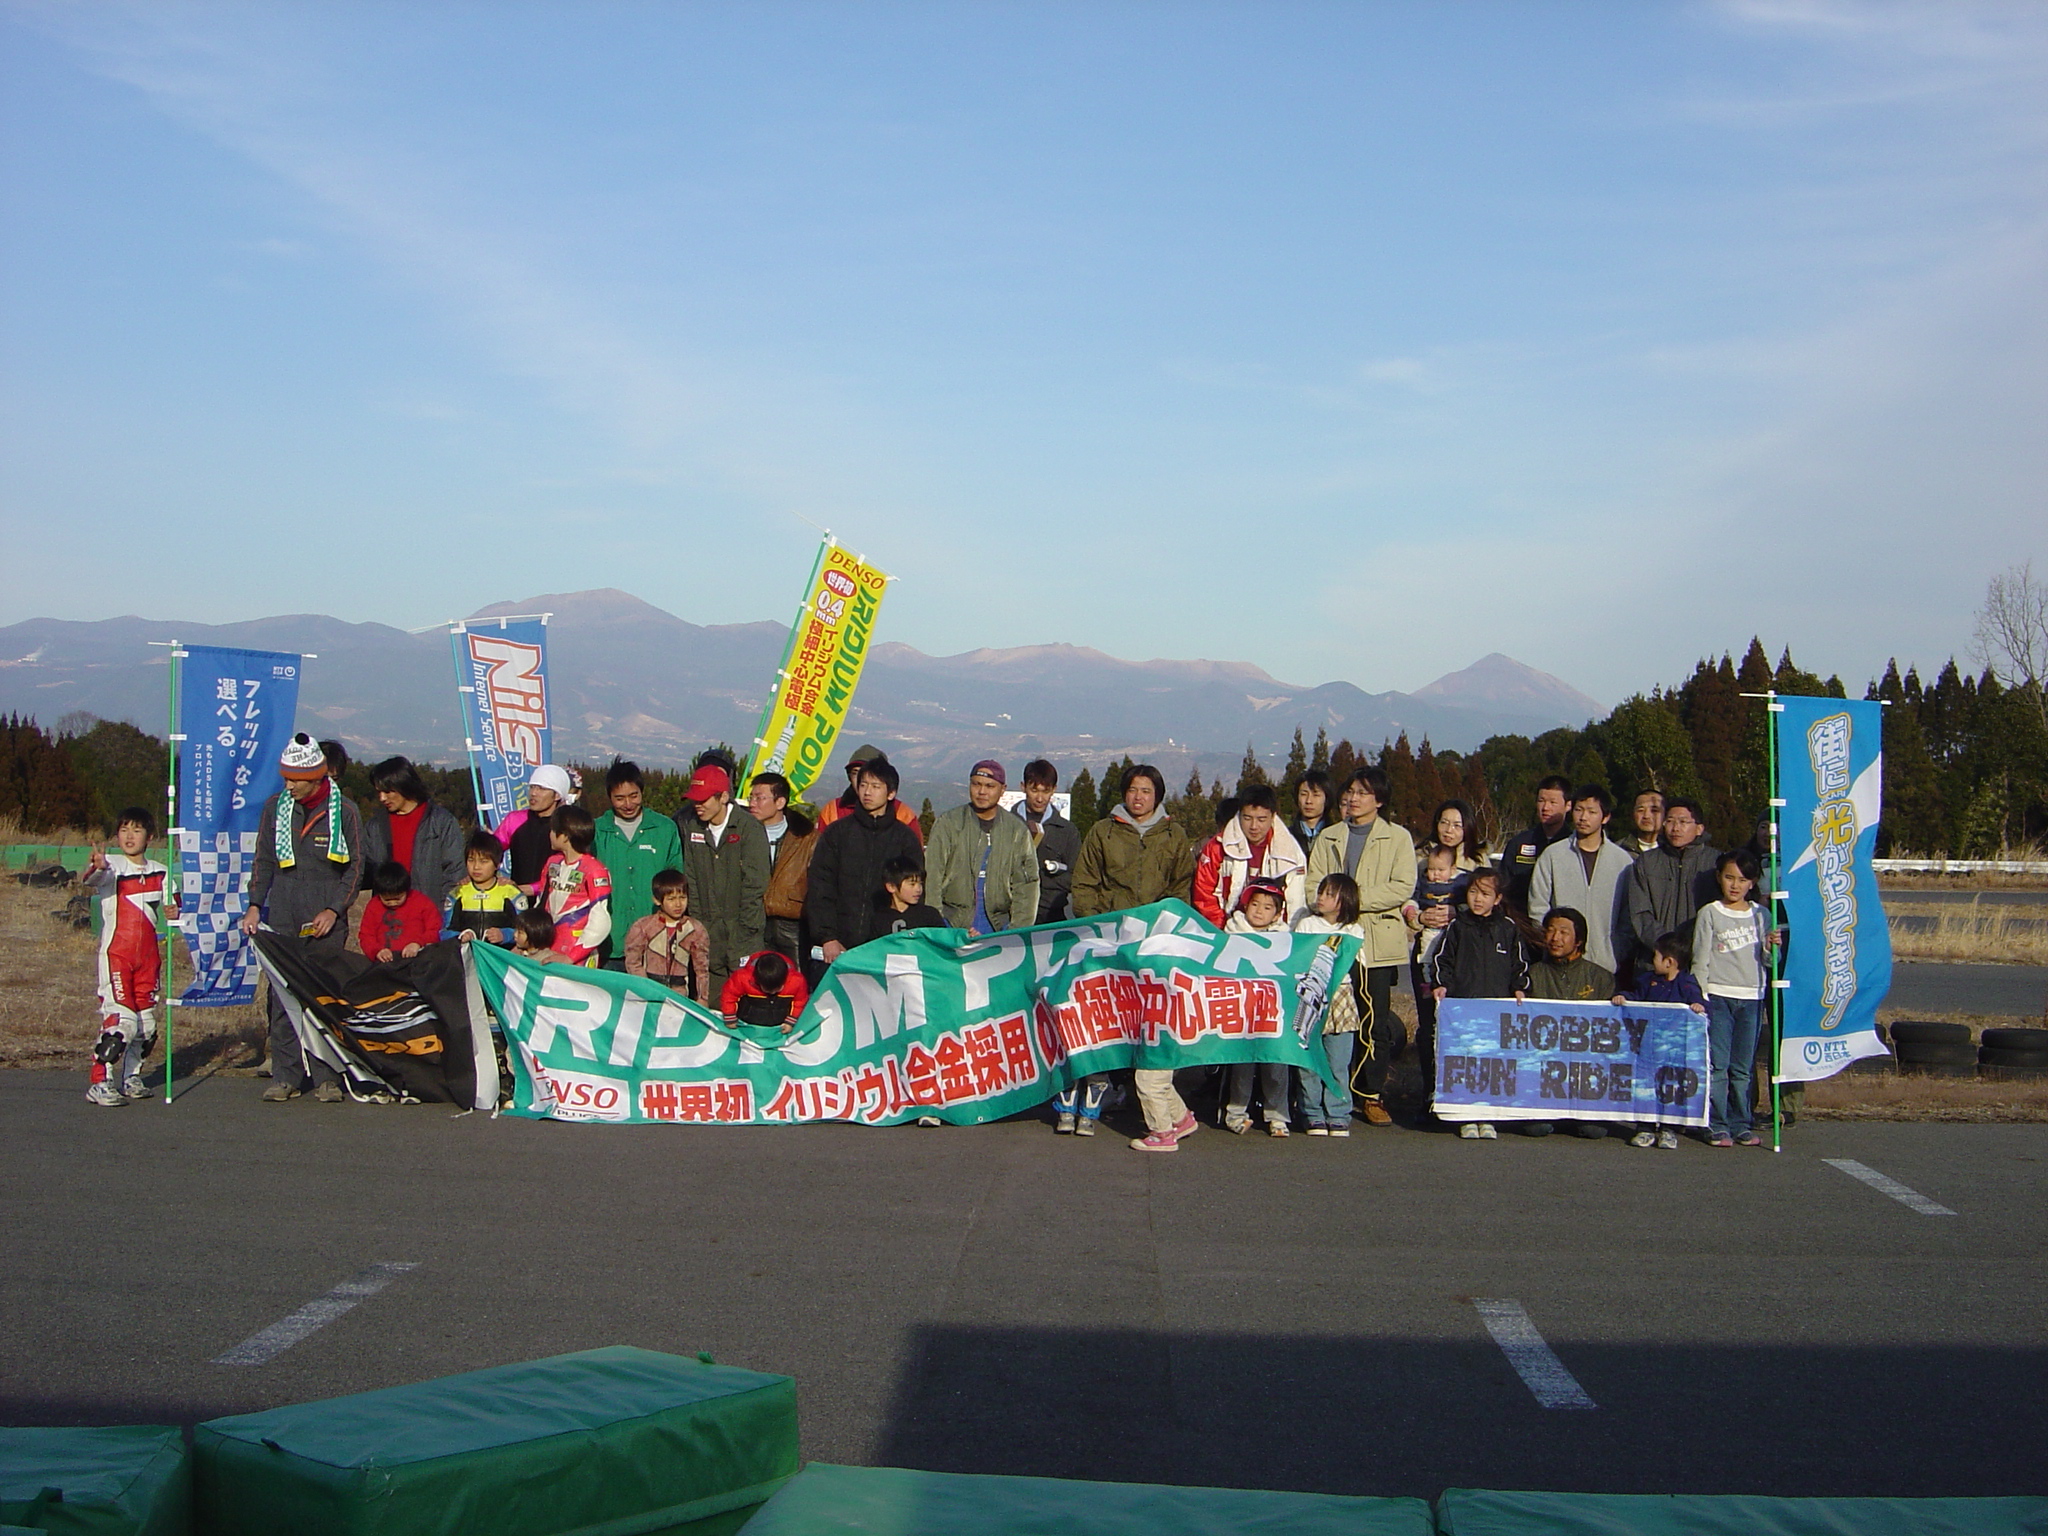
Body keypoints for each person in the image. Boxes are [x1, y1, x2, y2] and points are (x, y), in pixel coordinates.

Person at [1069, 765, 1198, 1149]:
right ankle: (1112, 1092)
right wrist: (1098, 927)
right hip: (1111, 942)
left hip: (1157, 946)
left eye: (1146, 791)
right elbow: (1085, 884)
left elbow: (1181, 888)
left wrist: (1166, 931)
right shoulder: (1103, 831)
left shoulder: (1174, 835)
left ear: (1158, 796)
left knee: (1153, 1026)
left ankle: (1165, 1114)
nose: (1138, 797)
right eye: (1132, 790)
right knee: (1113, 1020)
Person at [244, 732, 364, 1104]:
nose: (289, 786)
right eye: (286, 779)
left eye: (296, 780)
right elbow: (263, 859)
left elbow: (356, 868)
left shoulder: (345, 811)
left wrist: (334, 909)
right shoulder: (274, 808)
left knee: (324, 996)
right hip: (284, 906)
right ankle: (286, 1075)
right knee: (283, 995)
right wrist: (254, 904)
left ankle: (329, 1077)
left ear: (316, 777)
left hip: (325, 908)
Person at [1303, 766, 1416, 1127]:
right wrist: (1329, 906)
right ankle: (1326, 1094)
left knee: (1373, 1021)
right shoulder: (1330, 836)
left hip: (1375, 941)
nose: (1353, 798)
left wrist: (1351, 900)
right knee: (1326, 1019)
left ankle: (1370, 1094)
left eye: (1362, 792)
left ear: (1379, 800)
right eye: (1350, 791)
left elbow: (1402, 886)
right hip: (1329, 940)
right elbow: (1312, 885)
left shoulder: (1397, 838)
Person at [1425, 866, 1530, 1140]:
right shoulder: (1458, 926)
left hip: (1496, 1008)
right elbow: (1442, 960)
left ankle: (1488, 1116)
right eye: (1473, 892)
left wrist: (1519, 987)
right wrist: (1441, 984)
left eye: (1485, 894)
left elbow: (1519, 963)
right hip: (1464, 1007)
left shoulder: (1507, 928)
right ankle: (1467, 1116)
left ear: (1497, 899)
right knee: (1466, 1061)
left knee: (1492, 1063)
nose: (1478, 899)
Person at [82, 807, 175, 1106]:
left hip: (148, 960)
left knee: (146, 1026)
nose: (129, 836)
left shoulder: (161, 871)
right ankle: (100, 1081)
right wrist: (98, 865)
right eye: (124, 830)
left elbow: (175, 907)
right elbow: (95, 877)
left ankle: (131, 1077)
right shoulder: (113, 865)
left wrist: (175, 910)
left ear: (150, 836)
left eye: (136, 830)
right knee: (123, 1023)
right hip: (117, 957)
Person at [805, 755, 925, 969]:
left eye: (876, 786)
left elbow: (915, 891)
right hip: (838, 943)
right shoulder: (838, 833)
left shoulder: (905, 838)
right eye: (863, 785)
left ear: (891, 793)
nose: (867, 792)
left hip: (887, 943)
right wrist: (827, 936)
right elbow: (820, 885)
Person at [1406, 798, 1486, 1112]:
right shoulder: (1421, 861)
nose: (1449, 830)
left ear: (1468, 828)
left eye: (1457, 824)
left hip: (1464, 956)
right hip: (1426, 952)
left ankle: (1464, 1094)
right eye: (1443, 822)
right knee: (1429, 1024)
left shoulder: (1477, 864)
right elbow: (1408, 900)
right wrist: (1419, 918)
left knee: (1461, 1024)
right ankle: (1430, 1093)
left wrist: (1460, 911)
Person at [1692, 849, 1773, 1149]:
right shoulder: (1710, 913)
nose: (1735, 885)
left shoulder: (1761, 915)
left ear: (1752, 882)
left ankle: (1742, 1122)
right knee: (1719, 1065)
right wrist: (1701, 996)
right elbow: (1700, 958)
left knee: (1743, 1067)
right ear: (1719, 878)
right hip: (1718, 996)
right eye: (1729, 878)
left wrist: (1771, 947)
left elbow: (1769, 961)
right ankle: (1717, 1123)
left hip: (1751, 998)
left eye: (1742, 879)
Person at [676, 763, 772, 999]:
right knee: (712, 999)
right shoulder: (692, 827)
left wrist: (744, 928)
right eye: (694, 800)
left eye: (704, 799)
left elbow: (756, 884)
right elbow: (691, 879)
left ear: (723, 797)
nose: (698, 805)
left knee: (747, 997)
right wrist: (700, 924)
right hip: (707, 933)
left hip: (743, 933)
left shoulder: (749, 828)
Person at [1523, 906, 1615, 1141]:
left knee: (1593, 1131)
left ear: (1579, 940)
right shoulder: (1532, 975)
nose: (1555, 938)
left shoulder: (1601, 978)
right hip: (1545, 1074)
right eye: (1551, 930)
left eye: (1564, 932)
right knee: (1536, 1129)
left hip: (1585, 1075)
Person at [1528, 785, 1635, 977]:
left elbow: (1628, 915)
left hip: (1605, 966)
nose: (1583, 817)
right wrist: (1552, 942)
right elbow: (1537, 907)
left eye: (1592, 812)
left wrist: (1617, 950)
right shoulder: (1553, 855)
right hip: (1558, 965)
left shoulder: (1622, 861)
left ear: (1605, 817)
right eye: (1579, 810)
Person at [926, 760, 1040, 935]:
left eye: (990, 786)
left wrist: (1016, 931)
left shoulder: (1016, 831)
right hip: (952, 922)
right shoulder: (949, 824)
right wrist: (936, 926)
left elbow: (1026, 885)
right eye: (976, 784)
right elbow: (932, 875)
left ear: (1002, 789)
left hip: (999, 926)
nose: (982, 791)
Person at [1614, 932, 1705, 1150]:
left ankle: (1668, 1129)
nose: (1652, 961)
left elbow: (1702, 1005)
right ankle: (1644, 1127)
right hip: (1648, 1048)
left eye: (1655, 956)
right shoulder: (1648, 981)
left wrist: (1698, 1007)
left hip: (1674, 1052)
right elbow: (1636, 996)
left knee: (1670, 1087)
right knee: (1646, 1086)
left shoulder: (1687, 984)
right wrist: (1623, 998)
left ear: (1669, 962)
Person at [594, 759, 684, 971]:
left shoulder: (664, 828)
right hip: (609, 941)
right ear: (609, 797)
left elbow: (676, 879)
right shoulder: (597, 831)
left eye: (633, 796)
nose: (628, 804)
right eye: (620, 798)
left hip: (654, 942)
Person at [1220, 877, 1294, 1136]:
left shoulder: (1286, 937)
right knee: (1242, 1065)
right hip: (1241, 1012)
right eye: (1254, 904)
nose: (1259, 911)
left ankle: (1277, 1116)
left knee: (1276, 1065)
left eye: (1267, 907)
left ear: (1277, 913)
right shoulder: (1232, 930)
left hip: (1273, 1013)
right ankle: (1236, 1113)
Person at [1293, 872, 1364, 1137]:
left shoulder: (1353, 930)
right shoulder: (1307, 925)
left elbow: (1360, 965)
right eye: (1321, 892)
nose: (1321, 898)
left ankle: (1338, 1113)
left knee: (1338, 1061)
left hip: (1341, 996)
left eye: (1329, 894)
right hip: (1310, 995)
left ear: (1345, 900)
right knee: (1309, 1060)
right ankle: (1312, 1113)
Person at [1192, 783, 1307, 929]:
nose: (1254, 826)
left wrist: (1288, 934)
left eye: (1261, 819)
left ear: (1273, 816)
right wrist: (1222, 928)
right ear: (1239, 814)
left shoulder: (1291, 852)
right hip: (1228, 928)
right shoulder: (1218, 846)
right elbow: (1204, 893)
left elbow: (1295, 901)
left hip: (1275, 931)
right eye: (1247, 818)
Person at [1625, 795, 1720, 973]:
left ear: (1699, 828)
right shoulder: (1646, 862)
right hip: (1654, 961)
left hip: (1700, 961)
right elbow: (1640, 912)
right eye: (1670, 821)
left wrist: (1687, 947)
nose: (1675, 828)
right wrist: (1666, 947)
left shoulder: (1715, 863)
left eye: (1683, 822)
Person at [359, 756, 464, 913]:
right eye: (379, 792)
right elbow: (365, 871)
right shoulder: (375, 827)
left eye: (388, 791)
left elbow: (454, 872)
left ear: (404, 785)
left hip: (429, 915)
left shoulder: (441, 822)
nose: (382, 798)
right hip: (389, 918)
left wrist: (443, 913)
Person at [750, 771, 817, 963]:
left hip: (794, 927)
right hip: (754, 923)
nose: (753, 803)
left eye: (760, 798)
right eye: (751, 797)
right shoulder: (743, 835)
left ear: (780, 802)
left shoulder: (807, 839)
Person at [538, 805, 612, 966]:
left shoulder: (595, 869)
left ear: (565, 836)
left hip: (578, 951)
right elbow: (541, 902)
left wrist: (571, 957)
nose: (549, 834)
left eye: (553, 830)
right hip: (548, 944)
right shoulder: (552, 862)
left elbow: (601, 920)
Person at [623, 868, 710, 1002]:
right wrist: (645, 989)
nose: (678, 904)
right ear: (657, 900)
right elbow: (633, 962)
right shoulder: (643, 927)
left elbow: (702, 969)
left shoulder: (695, 929)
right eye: (671, 899)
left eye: (682, 898)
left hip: (679, 995)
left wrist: (703, 998)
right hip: (649, 993)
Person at [1499, 775, 1573, 919]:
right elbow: (1503, 887)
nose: (1545, 808)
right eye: (1541, 801)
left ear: (1568, 805)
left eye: (1553, 802)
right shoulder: (1519, 843)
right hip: (1522, 923)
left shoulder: (1573, 846)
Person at [1015, 759, 1080, 924]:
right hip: (1012, 913)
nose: (1040, 798)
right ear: (1023, 787)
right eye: (1034, 790)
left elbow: (1075, 874)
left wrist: (1045, 880)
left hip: (1051, 915)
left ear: (1054, 790)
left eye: (1046, 791)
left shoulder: (1067, 831)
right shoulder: (1007, 824)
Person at [815, 743, 924, 841]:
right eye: (855, 773)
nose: (861, 778)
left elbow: (914, 854)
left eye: (870, 775)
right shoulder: (832, 810)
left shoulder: (903, 814)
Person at [496, 764, 576, 890]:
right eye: (532, 787)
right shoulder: (514, 820)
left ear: (557, 795)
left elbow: (575, 866)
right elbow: (489, 851)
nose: (533, 793)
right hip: (517, 897)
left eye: (541, 789)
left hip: (554, 897)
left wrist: (533, 889)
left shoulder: (567, 826)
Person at [444, 829, 525, 947]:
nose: (476, 867)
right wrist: (460, 936)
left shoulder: (512, 894)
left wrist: (504, 935)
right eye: (471, 860)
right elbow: (444, 931)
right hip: (466, 955)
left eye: (483, 861)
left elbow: (526, 931)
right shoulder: (457, 893)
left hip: (499, 956)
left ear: (497, 864)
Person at [357, 861, 441, 962]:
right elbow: (366, 935)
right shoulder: (374, 906)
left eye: (397, 899)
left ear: (406, 890)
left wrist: (418, 943)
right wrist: (377, 951)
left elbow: (435, 929)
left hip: (418, 959)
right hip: (385, 962)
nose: (392, 903)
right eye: (387, 900)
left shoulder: (422, 902)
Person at [721, 949, 811, 1031]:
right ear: (757, 981)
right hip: (747, 1021)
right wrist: (730, 1017)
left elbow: (800, 1002)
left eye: (777, 988)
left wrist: (791, 1021)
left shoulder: (797, 981)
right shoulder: (742, 978)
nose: (772, 992)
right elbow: (729, 996)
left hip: (780, 1023)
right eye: (767, 989)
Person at [880, 856, 946, 933]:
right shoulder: (880, 919)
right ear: (891, 887)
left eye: (920, 884)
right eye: (912, 884)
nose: (918, 889)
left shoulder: (929, 915)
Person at [1288, 769, 1334, 850]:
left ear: (1326, 798)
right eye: (1303, 794)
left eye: (1316, 795)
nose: (1308, 801)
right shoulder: (1287, 836)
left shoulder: (1336, 836)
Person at [1620, 789, 1666, 858]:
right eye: (1641, 810)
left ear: (1665, 816)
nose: (1646, 816)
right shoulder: (1619, 850)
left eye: (1654, 811)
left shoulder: (1673, 852)